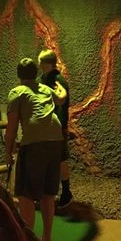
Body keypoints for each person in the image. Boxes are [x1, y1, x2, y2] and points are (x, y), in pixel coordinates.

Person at [5, 58, 67, 241]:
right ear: (35, 73)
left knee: (26, 195)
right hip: (55, 142)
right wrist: (60, 87)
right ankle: (47, 240)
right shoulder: (45, 89)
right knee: (48, 194)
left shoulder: (16, 92)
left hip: (34, 144)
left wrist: (8, 153)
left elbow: (12, 127)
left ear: (19, 75)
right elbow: (61, 99)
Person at [37, 49, 73, 208]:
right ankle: (51, 192)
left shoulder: (58, 81)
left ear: (49, 64)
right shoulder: (42, 79)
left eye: (43, 63)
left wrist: (60, 127)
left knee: (60, 159)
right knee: (52, 159)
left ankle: (66, 192)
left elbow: (61, 108)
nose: (40, 65)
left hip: (56, 126)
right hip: (45, 126)